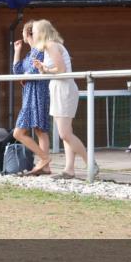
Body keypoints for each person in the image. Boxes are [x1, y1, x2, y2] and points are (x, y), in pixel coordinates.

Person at [30, 19, 96, 179]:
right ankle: (69, 169)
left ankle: (90, 163)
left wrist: (46, 69)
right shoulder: (48, 48)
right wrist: (43, 68)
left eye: (34, 31)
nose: (33, 34)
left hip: (64, 89)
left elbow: (61, 69)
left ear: (42, 32)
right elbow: (54, 70)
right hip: (58, 88)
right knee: (66, 132)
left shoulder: (52, 45)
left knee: (65, 134)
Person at [12, 21, 51, 175]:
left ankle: (44, 160)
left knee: (27, 131)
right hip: (29, 95)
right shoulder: (29, 54)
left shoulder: (40, 51)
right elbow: (17, 71)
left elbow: (36, 71)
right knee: (38, 130)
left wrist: (26, 76)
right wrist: (17, 51)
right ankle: (45, 163)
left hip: (38, 93)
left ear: (28, 34)